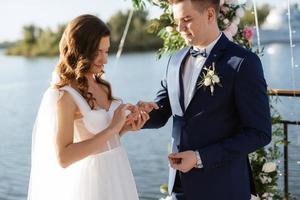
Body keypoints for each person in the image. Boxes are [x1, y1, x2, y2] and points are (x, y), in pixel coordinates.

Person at [139, 0, 272, 199]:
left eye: (186, 19)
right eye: (177, 21)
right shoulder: (175, 60)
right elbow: (162, 110)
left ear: (210, 15)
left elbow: (259, 133)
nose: (180, 28)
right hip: (179, 187)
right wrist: (138, 116)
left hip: (223, 188)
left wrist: (200, 158)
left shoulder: (243, 62)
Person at [27, 14, 148, 200]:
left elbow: (103, 138)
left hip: (117, 172)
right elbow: (63, 158)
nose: (104, 59)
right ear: (80, 49)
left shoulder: (100, 84)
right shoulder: (66, 95)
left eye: (106, 51)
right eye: (97, 52)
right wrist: (113, 128)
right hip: (92, 183)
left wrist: (124, 128)